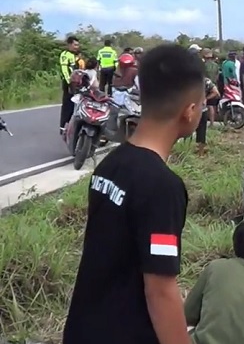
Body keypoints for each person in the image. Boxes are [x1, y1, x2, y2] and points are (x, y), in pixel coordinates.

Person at [62, 44, 207, 344]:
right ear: (190, 111)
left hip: (83, 328)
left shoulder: (110, 165)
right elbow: (160, 290)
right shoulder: (162, 187)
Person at [59, 36, 81, 133]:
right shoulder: (65, 55)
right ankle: (63, 126)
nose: (77, 47)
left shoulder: (75, 55)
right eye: (75, 45)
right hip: (69, 83)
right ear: (69, 45)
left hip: (77, 83)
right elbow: (64, 70)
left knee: (76, 104)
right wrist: (69, 82)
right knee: (67, 104)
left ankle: (73, 126)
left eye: (78, 45)